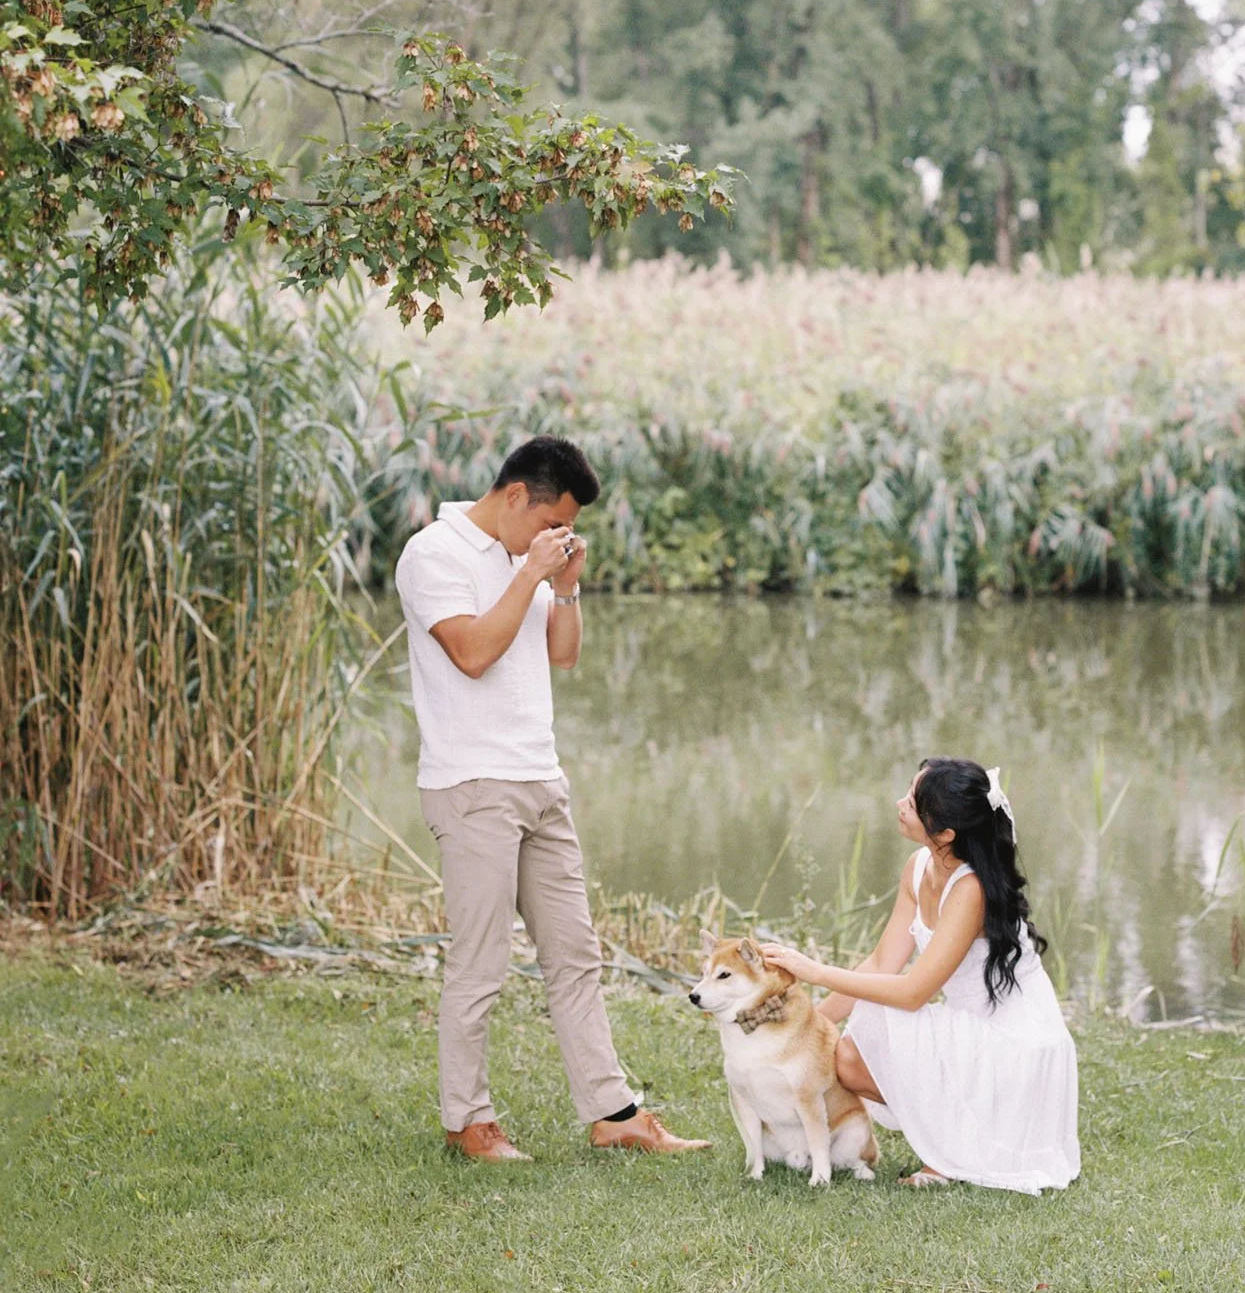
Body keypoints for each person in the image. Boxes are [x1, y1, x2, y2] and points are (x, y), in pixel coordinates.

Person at [395, 434, 709, 1163]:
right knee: (481, 963)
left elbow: (561, 653)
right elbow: (472, 653)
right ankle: (468, 1122)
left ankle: (614, 1113)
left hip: (541, 777)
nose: (554, 537)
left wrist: (562, 584)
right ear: (513, 498)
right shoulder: (433, 554)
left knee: (576, 955)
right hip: (472, 784)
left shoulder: (527, 558)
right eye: (549, 523)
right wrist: (528, 572)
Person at [761, 757, 1079, 1191]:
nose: (899, 804)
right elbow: (880, 964)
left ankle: (952, 1153)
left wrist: (814, 971)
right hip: (971, 1027)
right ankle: (952, 1136)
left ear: (946, 833)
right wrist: (807, 1029)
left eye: (912, 802)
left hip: (1015, 1043)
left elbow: (912, 993)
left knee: (882, 1015)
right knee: (847, 1058)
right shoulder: (918, 867)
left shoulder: (970, 889)